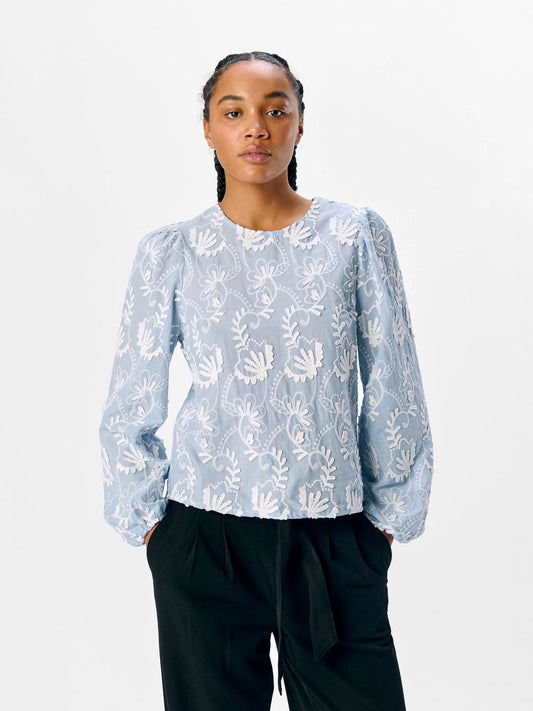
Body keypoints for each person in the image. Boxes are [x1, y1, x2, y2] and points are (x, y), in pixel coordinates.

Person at [99, 50, 434, 711]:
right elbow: (130, 398)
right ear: (208, 129)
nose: (256, 127)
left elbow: (393, 380)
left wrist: (384, 522)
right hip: (205, 537)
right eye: (234, 112)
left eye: (275, 110)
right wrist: (154, 530)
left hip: (332, 534)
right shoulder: (171, 252)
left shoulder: (354, 236)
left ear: (300, 124)